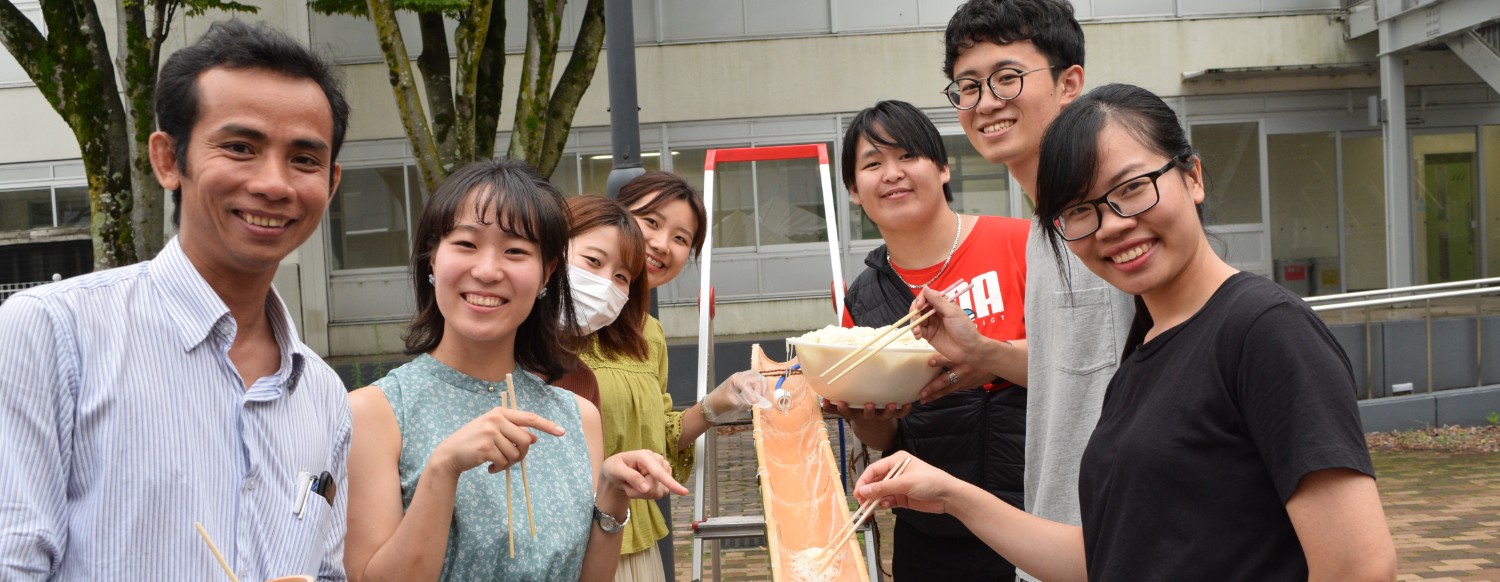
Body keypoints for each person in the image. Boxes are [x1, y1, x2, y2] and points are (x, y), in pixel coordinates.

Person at [855, 83, 1397, 581]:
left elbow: (1359, 568)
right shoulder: (1144, 350)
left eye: (1132, 189)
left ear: (1192, 177)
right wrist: (950, 495)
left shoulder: (1264, 330)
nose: (1112, 224)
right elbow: (1109, 556)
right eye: (1080, 211)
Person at [0, 20, 352, 581]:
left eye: (304, 160)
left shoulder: (324, 396)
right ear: (168, 160)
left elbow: (327, 570)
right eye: (240, 147)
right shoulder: (52, 333)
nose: (274, 184)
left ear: (330, 184)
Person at [342, 159, 687, 582]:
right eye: (466, 244)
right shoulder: (372, 413)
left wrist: (612, 494)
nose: (487, 270)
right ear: (432, 258)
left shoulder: (577, 416)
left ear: (547, 273)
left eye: (516, 251)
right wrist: (443, 468)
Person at [912, 7, 1134, 580]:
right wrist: (984, 353)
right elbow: (1086, 367)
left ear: (1070, 83)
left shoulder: (1117, 228)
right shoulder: (1044, 233)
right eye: (968, 86)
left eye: (1008, 77)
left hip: (1125, 545)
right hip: (1058, 544)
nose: (986, 102)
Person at [822, 100, 1029, 580]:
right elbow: (885, 438)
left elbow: (1084, 364)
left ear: (942, 168)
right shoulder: (865, 297)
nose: (892, 174)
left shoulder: (1019, 243)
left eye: (908, 156)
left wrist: (989, 358)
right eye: (873, 164)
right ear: (854, 191)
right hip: (930, 535)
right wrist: (868, 419)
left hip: (1038, 518)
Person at [586, 171, 771, 580]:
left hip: (634, 540)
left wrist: (721, 398)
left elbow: (660, 439)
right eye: (650, 222)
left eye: (681, 238)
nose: (660, 244)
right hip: (564, 544)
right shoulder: (559, 319)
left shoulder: (649, 333)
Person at [548, 195, 652, 411]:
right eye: (594, 261)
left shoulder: (583, 381)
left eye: (621, 277)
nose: (606, 284)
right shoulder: (489, 354)